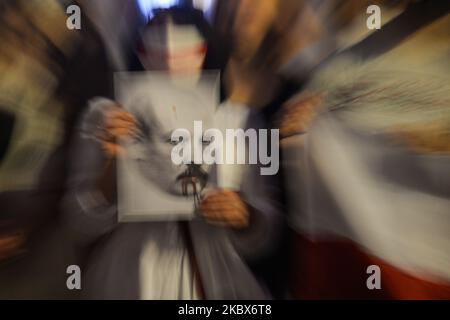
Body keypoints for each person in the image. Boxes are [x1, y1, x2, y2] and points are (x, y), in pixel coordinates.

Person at [63, 7, 278, 299]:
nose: (168, 39)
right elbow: (79, 221)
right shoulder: (104, 116)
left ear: (206, 48)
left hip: (215, 279)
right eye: (157, 27)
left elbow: (267, 228)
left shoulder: (242, 121)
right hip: (129, 278)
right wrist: (113, 165)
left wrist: (243, 216)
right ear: (139, 48)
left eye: (181, 30)